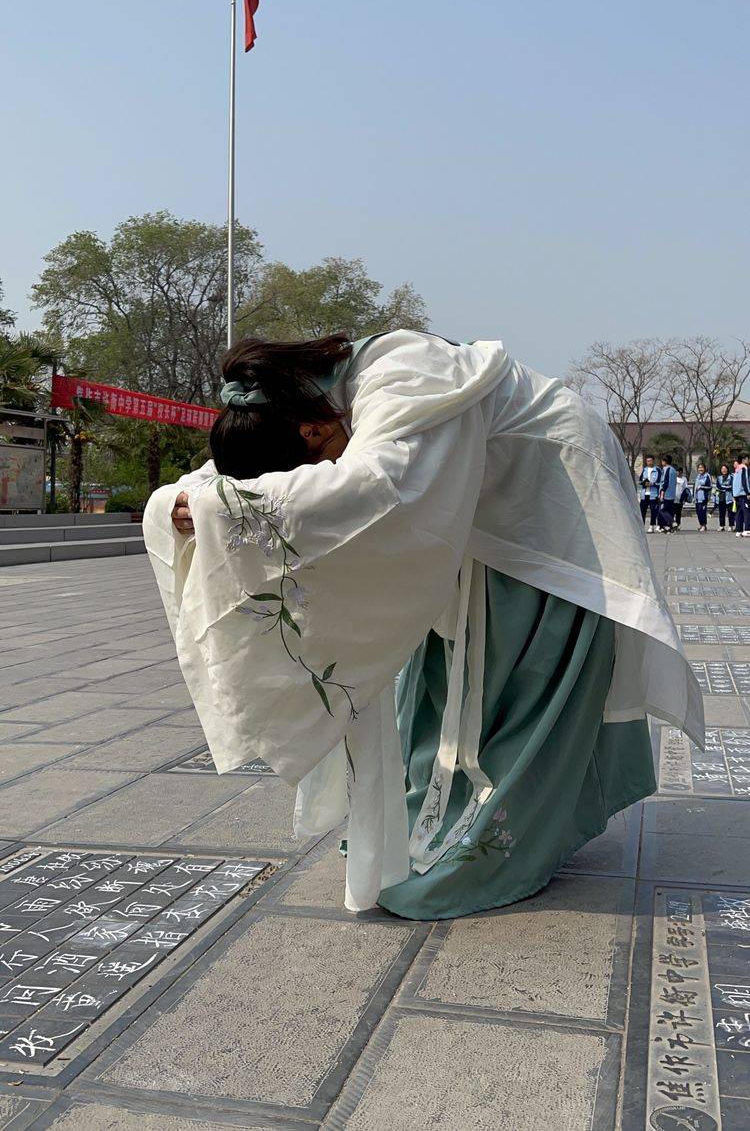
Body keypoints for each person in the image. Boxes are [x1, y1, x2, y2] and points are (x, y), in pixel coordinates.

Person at [144, 329, 703, 919]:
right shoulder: (312, 400)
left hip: (548, 499)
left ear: (311, 431)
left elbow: (374, 483)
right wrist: (189, 499)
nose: (321, 464)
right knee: (447, 673)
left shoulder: (405, 373)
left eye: (311, 460)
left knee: (524, 678)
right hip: (481, 514)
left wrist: (222, 508)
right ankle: (434, 815)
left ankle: (496, 844)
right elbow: (242, 475)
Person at [639, 455, 661, 532]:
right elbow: (640, 481)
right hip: (644, 494)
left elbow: (660, 483)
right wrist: (643, 483)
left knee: (653, 511)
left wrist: (653, 484)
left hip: (653, 494)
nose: (649, 462)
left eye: (650, 461)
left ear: (653, 461)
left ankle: (652, 526)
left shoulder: (658, 470)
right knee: (642, 511)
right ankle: (641, 526)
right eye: (648, 461)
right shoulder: (644, 470)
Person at [657, 454, 678, 532]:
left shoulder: (667, 469)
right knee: (669, 510)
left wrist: (662, 492)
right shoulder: (673, 470)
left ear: (665, 461)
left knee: (662, 510)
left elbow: (665, 482)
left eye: (662, 461)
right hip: (672, 494)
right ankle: (669, 527)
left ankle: (672, 522)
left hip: (666, 494)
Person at [732, 455, 749, 536]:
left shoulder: (737, 469)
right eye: (747, 459)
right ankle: (747, 529)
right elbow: (744, 481)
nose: (748, 460)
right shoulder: (743, 467)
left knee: (739, 513)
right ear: (743, 460)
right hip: (743, 493)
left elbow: (734, 483)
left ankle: (739, 530)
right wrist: (748, 492)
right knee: (747, 512)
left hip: (736, 494)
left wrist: (734, 494)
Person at [693, 462, 712, 532]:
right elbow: (695, 487)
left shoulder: (707, 476)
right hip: (697, 498)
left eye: (702, 467)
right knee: (698, 512)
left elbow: (710, 487)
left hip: (703, 497)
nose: (700, 469)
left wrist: (701, 487)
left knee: (702, 512)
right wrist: (693, 496)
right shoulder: (698, 476)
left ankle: (704, 525)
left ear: (704, 468)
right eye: (699, 468)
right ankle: (701, 525)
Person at [717, 464, 733, 531]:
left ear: (727, 469)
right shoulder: (719, 478)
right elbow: (718, 487)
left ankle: (731, 525)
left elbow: (731, 487)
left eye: (725, 468)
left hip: (729, 497)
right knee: (721, 512)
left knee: (730, 512)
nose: (724, 470)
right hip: (721, 497)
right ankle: (721, 525)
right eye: (722, 469)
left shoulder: (731, 477)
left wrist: (723, 487)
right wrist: (725, 487)